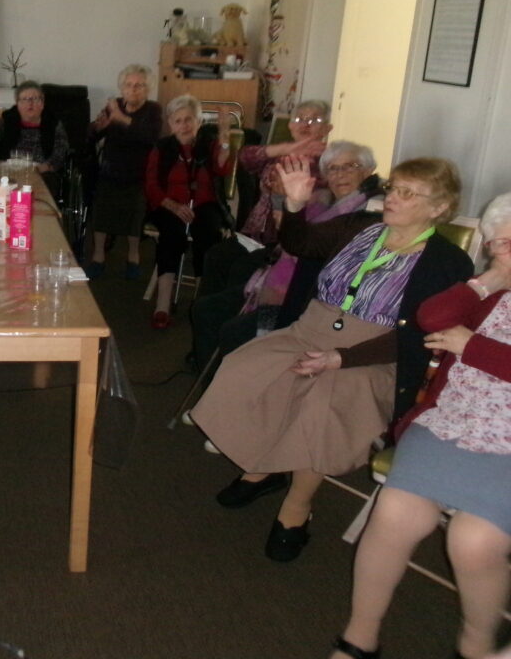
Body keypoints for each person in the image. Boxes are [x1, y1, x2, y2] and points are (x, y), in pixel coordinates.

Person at [192, 156, 473, 563]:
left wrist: (341, 357)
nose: (393, 197)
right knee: (244, 369)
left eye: (408, 193)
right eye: (393, 188)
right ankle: (265, 466)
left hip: (373, 356)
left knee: (323, 402)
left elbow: (418, 336)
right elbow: (301, 243)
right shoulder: (360, 227)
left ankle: (298, 505)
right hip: (310, 330)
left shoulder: (447, 262)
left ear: (439, 207)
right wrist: (294, 205)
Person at [330, 192, 511, 659]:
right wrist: (489, 278)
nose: (507, 252)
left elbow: (463, 343)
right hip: (450, 419)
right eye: (500, 244)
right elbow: (431, 318)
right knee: (393, 511)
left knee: (473, 540)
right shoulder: (493, 294)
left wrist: (472, 347)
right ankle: (360, 636)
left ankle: (476, 643)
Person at [191, 142, 380, 371]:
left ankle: (227, 385)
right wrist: (284, 201)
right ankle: (210, 381)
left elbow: (306, 247)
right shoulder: (322, 200)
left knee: (233, 331)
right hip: (278, 280)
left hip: (306, 299)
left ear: (368, 170)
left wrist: (287, 209)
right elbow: (288, 233)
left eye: (350, 166)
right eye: (333, 168)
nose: (340, 174)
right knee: (207, 307)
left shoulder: (369, 211)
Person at [143, 94, 232, 328]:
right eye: (178, 120)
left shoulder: (208, 144)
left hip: (204, 204)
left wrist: (224, 135)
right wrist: (173, 206)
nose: (184, 125)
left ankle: (201, 300)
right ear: (170, 124)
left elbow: (222, 168)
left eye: (189, 119)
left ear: (198, 122)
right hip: (168, 205)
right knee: (171, 235)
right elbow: (151, 186)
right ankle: (162, 304)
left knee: (208, 234)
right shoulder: (162, 148)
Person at [86, 64, 162, 280]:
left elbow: (150, 137)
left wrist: (121, 118)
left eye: (139, 85)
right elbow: (91, 137)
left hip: (138, 174)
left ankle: (133, 257)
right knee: (101, 208)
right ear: (122, 87)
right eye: (128, 85)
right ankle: (98, 257)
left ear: (148, 89)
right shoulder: (115, 106)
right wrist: (98, 127)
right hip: (111, 170)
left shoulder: (153, 110)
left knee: (135, 211)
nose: (133, 89)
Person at [239, 99, 333, 246]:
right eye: (299, 119)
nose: (306, 124)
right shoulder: (277, 155)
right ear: (290, 125)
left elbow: (326, 198)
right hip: (257, 231)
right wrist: (285, 148)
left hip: (299, 235)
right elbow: (244, 158)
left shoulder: (331, 161)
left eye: (315, 120)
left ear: (327, 128)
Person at [0, 80, 70, 197]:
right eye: (25, 99)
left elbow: (61, 151)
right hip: (8, 170)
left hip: (40, 172)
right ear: (17, 104)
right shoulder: (7, 120)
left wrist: (47, 166)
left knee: (48, 183)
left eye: (35, 99)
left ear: (42, 104)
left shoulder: (53, 123)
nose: (30, 103)